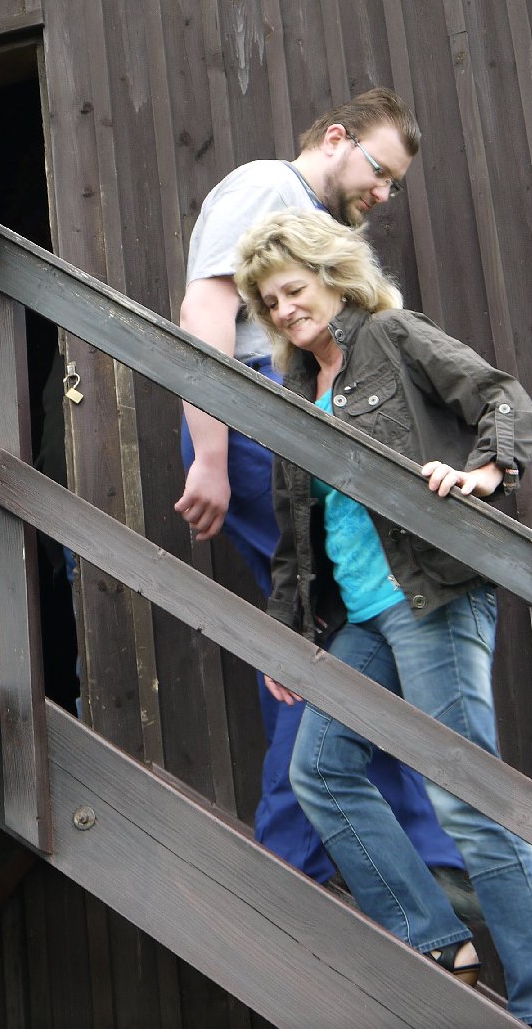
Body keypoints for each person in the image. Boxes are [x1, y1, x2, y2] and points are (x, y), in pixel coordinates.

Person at [238, 210, 532, 1026]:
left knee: (466, 795)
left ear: (332, 275)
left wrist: (484, 472)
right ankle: (434, 938)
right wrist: (285, 636)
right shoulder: (295, 392)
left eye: (294, 289)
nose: (285, 310)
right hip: (361, 618)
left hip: (432, 598)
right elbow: (294, 535)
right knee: (321, 770)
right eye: (270, 302)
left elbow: (501, 397)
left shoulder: (391, 336)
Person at [173, 89, 463, 893]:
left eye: (395, 184)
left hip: (286, 418)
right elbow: (205, 307)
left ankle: (340, 856)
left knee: (317, 630)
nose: (384, 193)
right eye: (380, 171)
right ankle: (381, 856)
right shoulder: (268, 186)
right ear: (336, 138)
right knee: (339, 623)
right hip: (257, 417)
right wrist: (211, 453)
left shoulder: (314, 221)